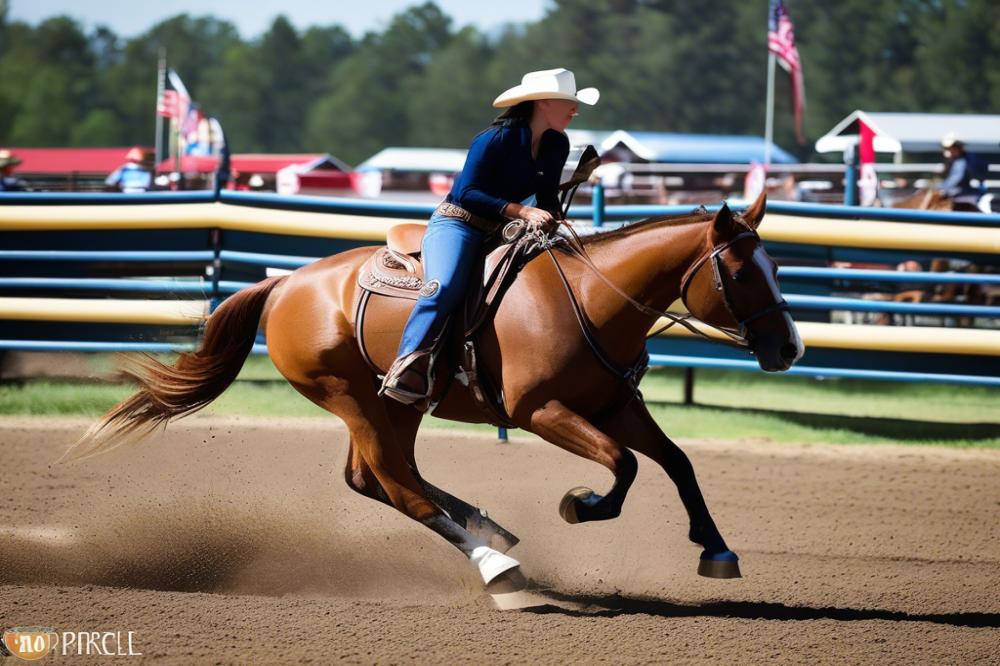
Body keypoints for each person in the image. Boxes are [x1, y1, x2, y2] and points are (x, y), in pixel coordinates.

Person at [379, 68, 599, 405]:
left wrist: (554, 218)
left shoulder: (558, 143)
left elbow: (547, 198)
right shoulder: (494, 139)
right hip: (458, 224)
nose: (575, 110)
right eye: (568, 103)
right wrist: (522, 212)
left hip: (503, 228)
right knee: (446, 286)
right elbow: (467, 193)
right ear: (543, 103)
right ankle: (406, 363)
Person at [938, 133, 988, 212]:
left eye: (950, 148)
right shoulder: (956, 160)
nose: (948, 151)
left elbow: (956, 180)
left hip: (967, 194)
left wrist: (942, 189)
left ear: (958, 148)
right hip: (960, 193)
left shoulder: (966, 161)